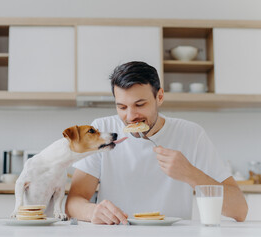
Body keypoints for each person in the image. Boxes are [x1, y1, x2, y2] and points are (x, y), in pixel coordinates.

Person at [65, 61, 248, 225]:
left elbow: (240, 210)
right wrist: (92, 212)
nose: (130, 117)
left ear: (159, 97)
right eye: (122, 107)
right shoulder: (102, 130)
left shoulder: (191, 134)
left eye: (140, 105)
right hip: (117, 233)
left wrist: (190, 174)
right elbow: (73, 202)